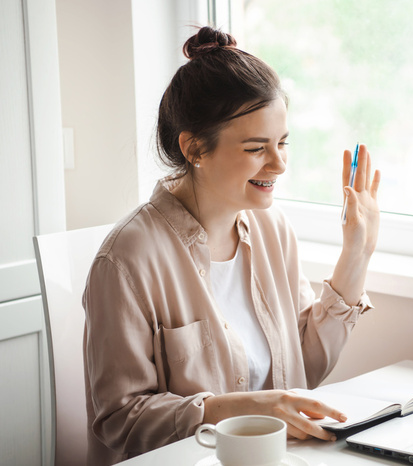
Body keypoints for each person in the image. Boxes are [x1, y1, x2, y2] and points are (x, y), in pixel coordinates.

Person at [82, 26, 381, 464]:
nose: (279, 164)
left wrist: (357, 251)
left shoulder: (272, 228)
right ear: (194, 148)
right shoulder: (128, 259)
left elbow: (305, 369)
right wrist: (239, 409)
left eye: (282, 143)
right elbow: (120, 420)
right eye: (257, 147)